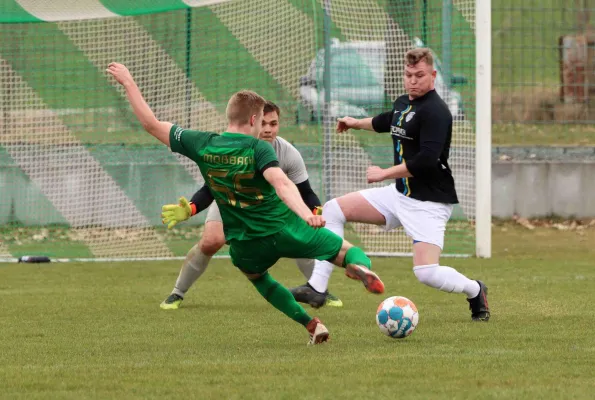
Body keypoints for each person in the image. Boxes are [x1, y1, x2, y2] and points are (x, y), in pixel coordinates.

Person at [106, 62, 385, 344]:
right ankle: (360, 267)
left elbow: (150, 124)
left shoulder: (203, 143)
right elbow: (282, 183)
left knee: (258, 278)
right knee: (348, 252)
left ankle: (311, 324)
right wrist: (307, 214)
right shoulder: (258, 148)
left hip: (246, 241)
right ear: (253, 120)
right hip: (285, 227)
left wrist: (128, 82)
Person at [290, 48, 490, 321]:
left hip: (428, 202)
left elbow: (426, 161)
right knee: (333, 209)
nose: (413, 81)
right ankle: (318, 288)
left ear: (433, 75)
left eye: (420, 75)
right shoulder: (404, 102)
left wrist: (384, 173)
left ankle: (475, 290)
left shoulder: (437, 112)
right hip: (399, 195)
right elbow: (388, 120)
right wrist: (355, 123)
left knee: (426, 273)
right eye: (408, 75)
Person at [159, 101, 343, 310]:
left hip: (268, 210)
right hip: (230, 201)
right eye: (263, 123)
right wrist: (191, 208)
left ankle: (319, 290)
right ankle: (177, 292)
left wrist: (316, 213)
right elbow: (210, 188)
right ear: (252, 121)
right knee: (211, 241)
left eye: (273, 124)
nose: (267, 129)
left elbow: (306, 192)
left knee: (301, 237)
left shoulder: (288, 153)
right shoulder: (233, 146)